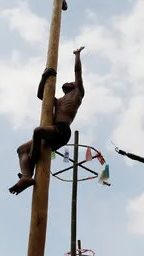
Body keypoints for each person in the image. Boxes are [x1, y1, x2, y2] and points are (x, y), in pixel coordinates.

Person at [9, 46, 86, 195]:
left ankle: (31, 163)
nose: (68, 82)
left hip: (62, 130)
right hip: (51, 132)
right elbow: (41, 95)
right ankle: (26, 177)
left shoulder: (77, 94)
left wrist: (77, 55)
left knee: (38, 131)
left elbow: (78, 73)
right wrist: (44, 77)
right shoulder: (58, 101)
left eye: (70, 82)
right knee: (21, 149)